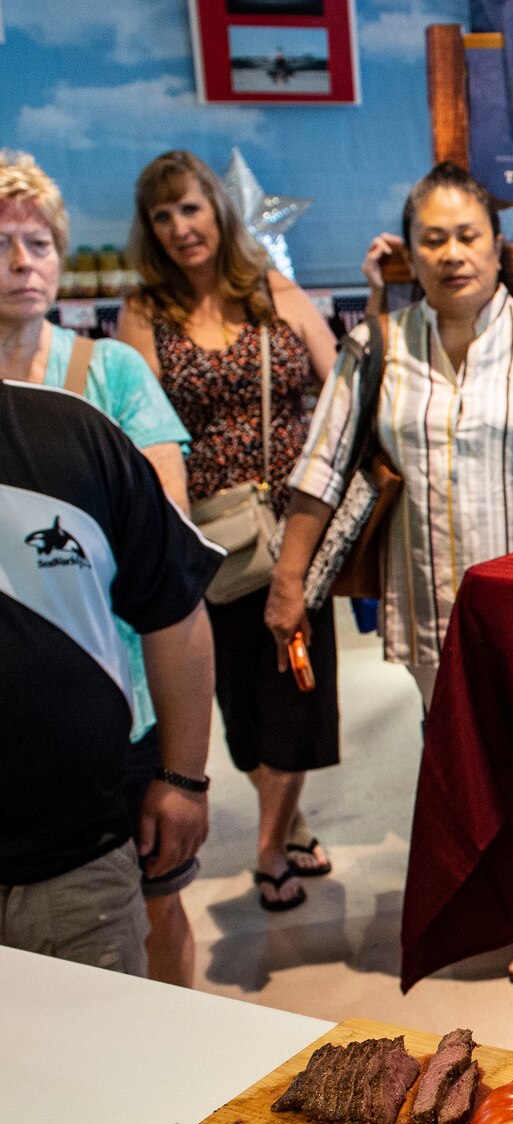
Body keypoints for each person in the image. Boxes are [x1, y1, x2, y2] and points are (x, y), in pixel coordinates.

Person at [275, 162, 513, 983]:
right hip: (430, 603)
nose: (453, 252)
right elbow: (324, 464)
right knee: (465, 753)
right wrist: (289, 581)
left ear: (498, 246)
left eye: (468, 235)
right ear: (410, 253)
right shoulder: (377, 344)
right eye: (434, 238)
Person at [0, 150, 207, 986]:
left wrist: (182, 771)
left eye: (40, 243)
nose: (23, 262)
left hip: (119, 701)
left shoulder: (108, 374)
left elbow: (164, 535)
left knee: (154, 904)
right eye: (4, 242)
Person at [116, 150, 341, 914]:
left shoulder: (272, 291)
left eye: (191, 207)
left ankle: (271, 846)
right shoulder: (145, 313)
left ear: (219, 209)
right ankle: (289, 814)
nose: (181, 227)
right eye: (163, 215)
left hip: (295, 529)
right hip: (206, 535)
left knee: (297, 694)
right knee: (241, 706)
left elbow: (336, 381)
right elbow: (139, 428)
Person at [0, 379, 219, 975]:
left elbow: (174, 606)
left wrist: (182, 778)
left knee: (102, 1057)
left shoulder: (73, 434)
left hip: (77, 862)